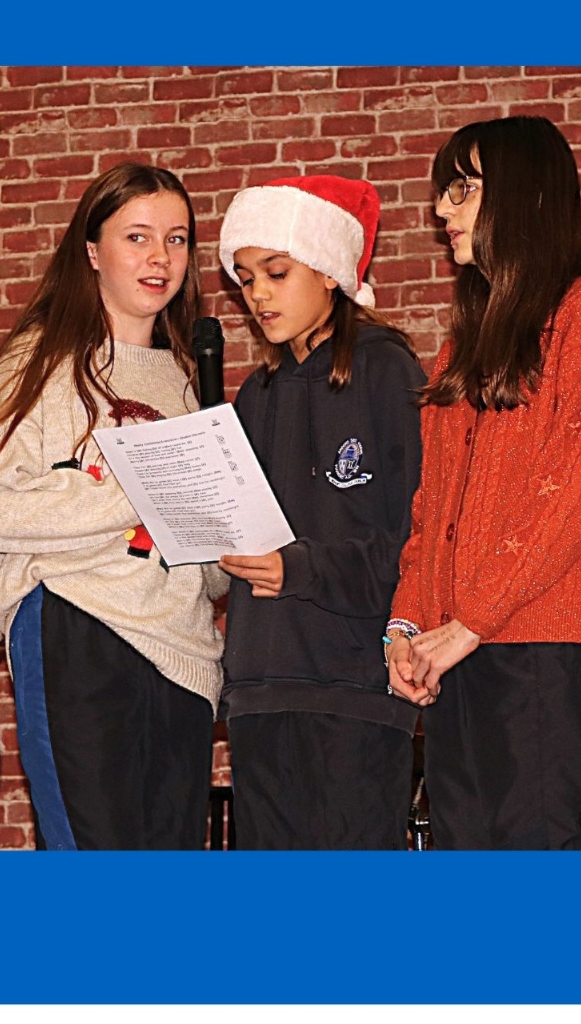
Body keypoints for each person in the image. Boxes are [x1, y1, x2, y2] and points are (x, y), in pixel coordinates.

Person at [383, 115, 581, 850]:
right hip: (460, 646)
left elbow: (579, 486)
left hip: (542, 648)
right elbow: (432, 510)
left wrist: (471, 619)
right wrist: (407, 626)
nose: (441, 208)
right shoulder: (460, 348)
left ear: (524, 195)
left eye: (462, 189)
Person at [0, 163, 225, 850]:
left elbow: (210, 570)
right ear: (93, 252)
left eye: (177, 239)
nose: (160, 257)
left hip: (185, 652)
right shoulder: (39, 361)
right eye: (138, 236)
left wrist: (232, 541)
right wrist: (143, 483)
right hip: (79, 627)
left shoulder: (189, 380)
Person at [214, 175, 426, 849]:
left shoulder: (388, 374)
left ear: (330, 269)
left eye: (276, 272)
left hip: (352, 689)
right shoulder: (256, 396)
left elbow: (416, 541)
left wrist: (301, 568)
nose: (258, 295)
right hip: (258, 691)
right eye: (246, 278)